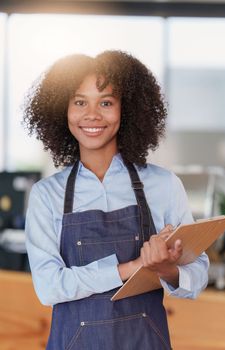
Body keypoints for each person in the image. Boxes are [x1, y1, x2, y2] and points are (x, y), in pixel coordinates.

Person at [24, 50, 209, 350]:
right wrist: (133, 267)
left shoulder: (162, 185)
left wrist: (164, 269)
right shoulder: (47, 195)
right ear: (62, 109)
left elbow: (198, 276)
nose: (92, 114)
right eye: (80, 102)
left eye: (106, 102)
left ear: (128, 110)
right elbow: (48, 287)